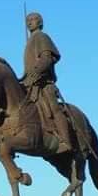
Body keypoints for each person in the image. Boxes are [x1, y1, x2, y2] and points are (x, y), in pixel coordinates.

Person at [20, 11, 72, 154]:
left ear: (40, 23)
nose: (30, 22)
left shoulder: (42, 37)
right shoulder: (30, 41)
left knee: (54, 109)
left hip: (43, 83)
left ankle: (65, 140)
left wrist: (37, 71)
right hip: (31, 83)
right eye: (28, 20)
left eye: (33, 19)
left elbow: (47, 58)